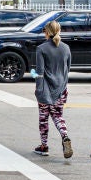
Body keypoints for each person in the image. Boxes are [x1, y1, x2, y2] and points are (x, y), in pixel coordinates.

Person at [32, 20, 73, 160]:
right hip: (61, 89)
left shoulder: (41, 49)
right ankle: (65, 136)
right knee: (58, 116)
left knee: (44, 119)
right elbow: (68, 69)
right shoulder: (66, 48)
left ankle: (44, 146)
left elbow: (39, 73)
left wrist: (38, 89)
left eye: (44, 31)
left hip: (45, 90)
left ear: (47, 32)